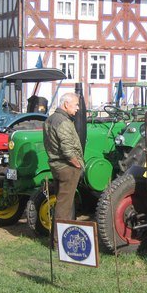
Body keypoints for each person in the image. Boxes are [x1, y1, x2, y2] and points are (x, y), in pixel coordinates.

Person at [43, 92, 84, 234]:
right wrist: (77, 164)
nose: (78, 108)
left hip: (56, 165)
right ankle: (60, 241)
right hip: (67, 167)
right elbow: (68, 150)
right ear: (66, 104)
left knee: (61, 202)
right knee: (64, 207)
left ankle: (59, 237)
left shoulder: (50, 119)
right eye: (76, 104)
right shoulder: (64, 122)